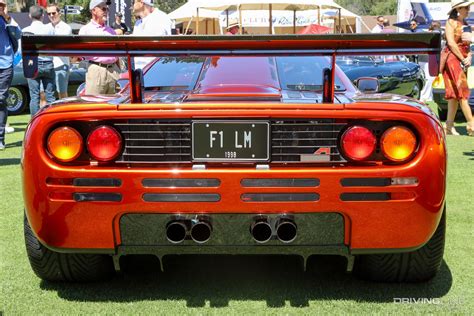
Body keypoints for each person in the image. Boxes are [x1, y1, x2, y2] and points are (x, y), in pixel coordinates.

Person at [441, 0, 474, 136]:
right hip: (453, 59)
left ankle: (449, 127)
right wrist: (463, 58)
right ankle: (471, 125)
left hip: (462, 60)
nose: (468, 9)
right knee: (463, 92)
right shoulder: (451, 22)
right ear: (458, 9)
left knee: (455, 94)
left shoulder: (466, 24)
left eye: (468, 7)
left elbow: (469, 44)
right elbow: (451, 44)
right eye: (466, 7)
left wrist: (470, 56)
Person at [79, 0, 120, 95]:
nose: (106, 11)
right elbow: (79, 55)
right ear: (94, 10)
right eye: (104, 8)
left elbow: (117, 53)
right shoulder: (85, 30)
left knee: (113, 106)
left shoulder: (111, 31)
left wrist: (118, 70)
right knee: (93, 105)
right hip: (96, 70)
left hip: (113, 70)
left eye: (107, 9)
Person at [23, 5, 56, 116]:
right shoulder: (50, 28)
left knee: (34, 97)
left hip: (32, 65)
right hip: (48, 64)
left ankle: (35, 123)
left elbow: (21, 50)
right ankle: (53, 120)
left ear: (29, 16)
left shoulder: (25, 30)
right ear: (42, 15)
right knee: (50, 96)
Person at [0, 0, 21, 150]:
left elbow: (18, 34)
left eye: (2, 4)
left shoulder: (6, 19)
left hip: (5, 64)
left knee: (1, 99)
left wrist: (6, 15)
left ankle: (0, 138)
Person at [132, 0, 172, 69]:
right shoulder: (138, 23)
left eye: (134, 2)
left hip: (157, 70)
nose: (132, 5)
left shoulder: (161, 18)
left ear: (141, 3)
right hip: (139, 71)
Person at [46, 3, 72, 99]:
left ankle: (66, 114)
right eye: (49, 14)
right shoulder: (46, 27)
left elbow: (58, 45)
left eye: (53, 13)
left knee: (62, 94)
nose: (51, 16)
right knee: (45, 95)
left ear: (59, 13)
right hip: (47, 65)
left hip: (61, 65)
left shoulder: (66, 27)